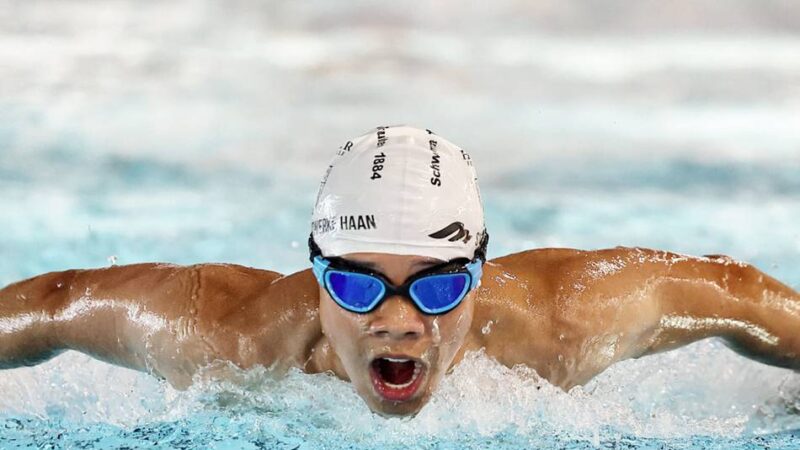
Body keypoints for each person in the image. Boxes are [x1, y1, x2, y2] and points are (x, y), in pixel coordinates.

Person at [1, 126, 798, 417]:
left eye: (437, 285)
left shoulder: (562, 326)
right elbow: (56, 302)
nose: (398, 322)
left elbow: (733, 291)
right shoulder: (220, 337)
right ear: (315, 272)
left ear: (478, 273)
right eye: (356, 284)